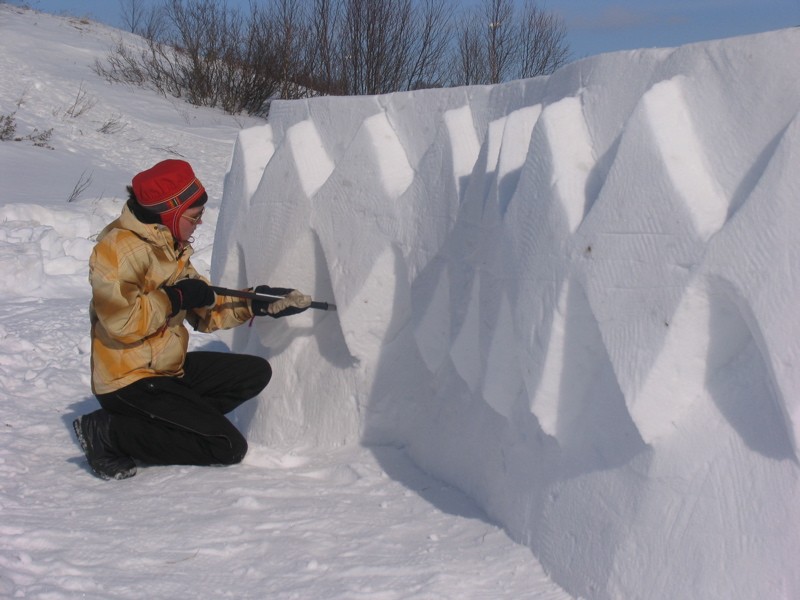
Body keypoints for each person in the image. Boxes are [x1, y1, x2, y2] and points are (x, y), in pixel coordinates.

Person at [73, 159, 311, 480]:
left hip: (166, 371)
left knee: (253, 373)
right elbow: (121, 322)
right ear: (170, 213)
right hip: (129, 381)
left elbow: (205, 309)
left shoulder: (169, 247)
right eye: (195, 215)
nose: (199, 223)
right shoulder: (118, 251)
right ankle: (109, 431)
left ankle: (172, 422)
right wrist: (175, 298)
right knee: (226, 446)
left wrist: (260, 302)